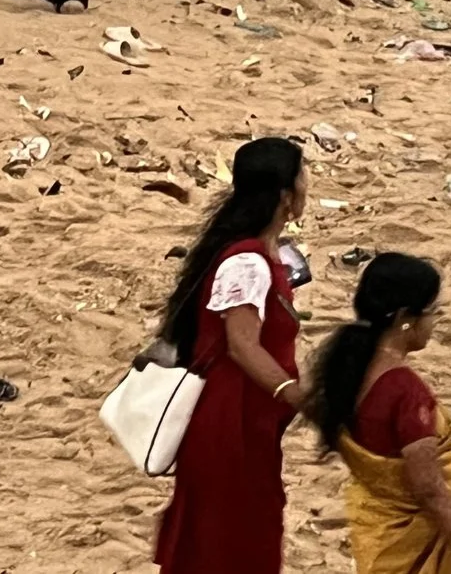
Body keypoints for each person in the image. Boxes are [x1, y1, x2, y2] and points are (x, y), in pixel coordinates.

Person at [155, 136, 309, 574]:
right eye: (302, 177)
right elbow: (242, 345)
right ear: (285, 196)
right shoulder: (247, 263)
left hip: (247, 420)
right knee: (231, 539)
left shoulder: (260, 254)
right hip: (230, 422)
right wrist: (294, 394)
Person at [306, 253, 451, 574]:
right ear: (405, 319)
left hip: (379, 534)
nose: (435, 321)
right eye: (432, 311)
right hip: (419, 544)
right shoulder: (406, 391)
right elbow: (430, 491)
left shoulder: (347, 370)